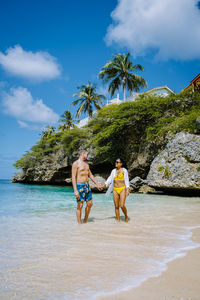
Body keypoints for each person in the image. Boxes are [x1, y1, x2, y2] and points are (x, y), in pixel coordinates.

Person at [72, 149, 102, 224]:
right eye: (87, 154)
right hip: (79, 185)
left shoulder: (86, 164)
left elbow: (90, 175)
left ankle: (85, 220)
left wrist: (97, 184)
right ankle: (79, 224)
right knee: (80, 205)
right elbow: (73, 177)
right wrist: (75, 190)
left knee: (90, 204)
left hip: (87, 185)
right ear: (82, 154)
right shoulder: (76, 163)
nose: (87, 155)